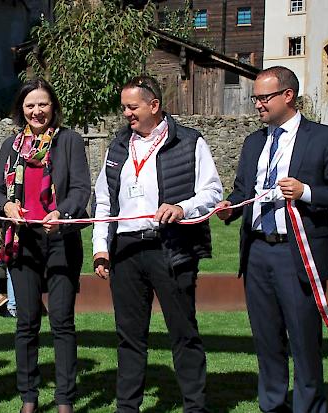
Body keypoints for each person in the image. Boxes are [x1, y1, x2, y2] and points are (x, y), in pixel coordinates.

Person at [215, 66, 328, 413]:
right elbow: (242, 191)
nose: (257, 105)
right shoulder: (254, 142)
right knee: (267, 343)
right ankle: (273, 406)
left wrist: (306, 191)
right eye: (256, 98)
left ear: (288, 96)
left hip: (298, 256)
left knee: (305, 343)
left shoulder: (326, 138)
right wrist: (229, 208)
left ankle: (308, 407)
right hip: (257, 253)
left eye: (264, 98)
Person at [92, 75, 222, 413]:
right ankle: (128, 408)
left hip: (171, 248)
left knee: (183, 333)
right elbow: (103, 201)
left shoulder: (190, 142)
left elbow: (212, 193)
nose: (126, 114)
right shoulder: (118, 146)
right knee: (129, 337)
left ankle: (195, 406)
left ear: (154, 105)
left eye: (132, 107)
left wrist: (182, 208)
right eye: (123, 108)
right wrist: (101, 248)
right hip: (126, 252)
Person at [0, 78, 91, 413]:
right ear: (22, 110)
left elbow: (80, 189)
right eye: (30, 105)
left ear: (53, 107)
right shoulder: (11, 146)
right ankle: (28, 397)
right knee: (27, 321)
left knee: (61, 321)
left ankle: (64, 400)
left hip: (60, 241)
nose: (37, 111)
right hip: (22, 243)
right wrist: (7, 207)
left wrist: (62, 212)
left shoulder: (69, 141)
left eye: (43, 104)